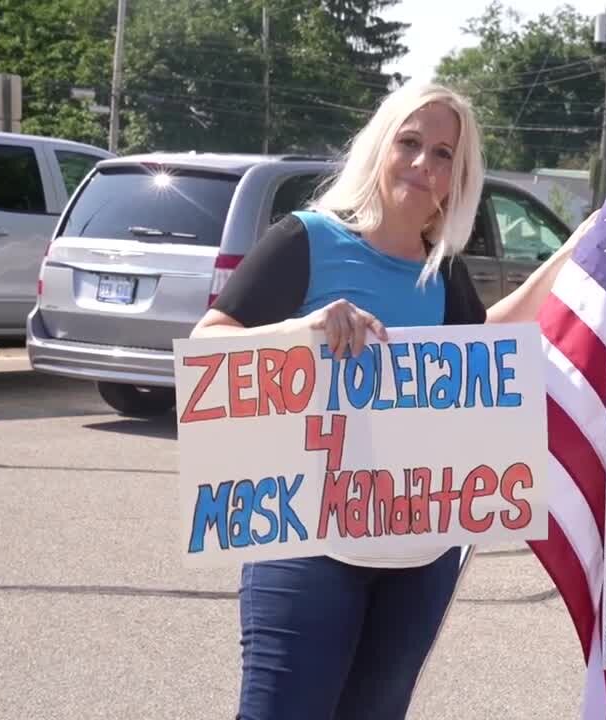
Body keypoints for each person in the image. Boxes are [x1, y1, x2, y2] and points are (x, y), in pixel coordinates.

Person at [190, 83, 585, 720]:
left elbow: (482, 349)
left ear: (459, 176)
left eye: (442, 154)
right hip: (304, 541)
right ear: (380, 146)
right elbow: (211, 343)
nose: (422, 164)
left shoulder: (443, 271)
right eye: (409, 143)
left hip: (418, 554)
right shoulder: (306, 240)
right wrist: (305, 329)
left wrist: (570, 257)